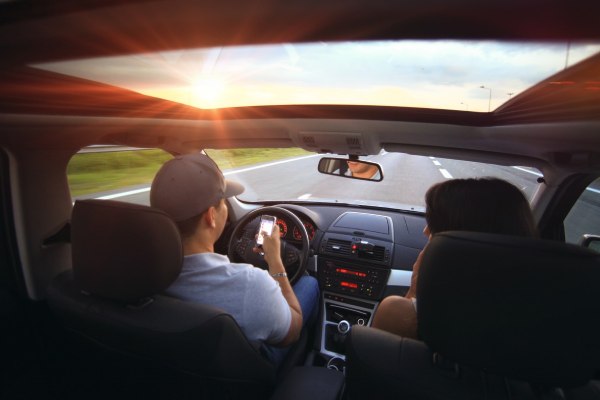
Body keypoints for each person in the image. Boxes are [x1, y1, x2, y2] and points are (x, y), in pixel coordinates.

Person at [150, 152, 319, 366]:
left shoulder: (137, 273)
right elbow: (293, 330)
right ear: (210, 216)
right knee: (310, 284)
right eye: (223, 203)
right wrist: (275, 260)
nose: (226, 209)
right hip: (248, 374)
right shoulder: (250, 284)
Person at [371, 177, 538, 339]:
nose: (426, 231)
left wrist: (416, 290)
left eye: (436, 225)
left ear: (464, 236)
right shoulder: (541, 308)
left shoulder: (402, 314)